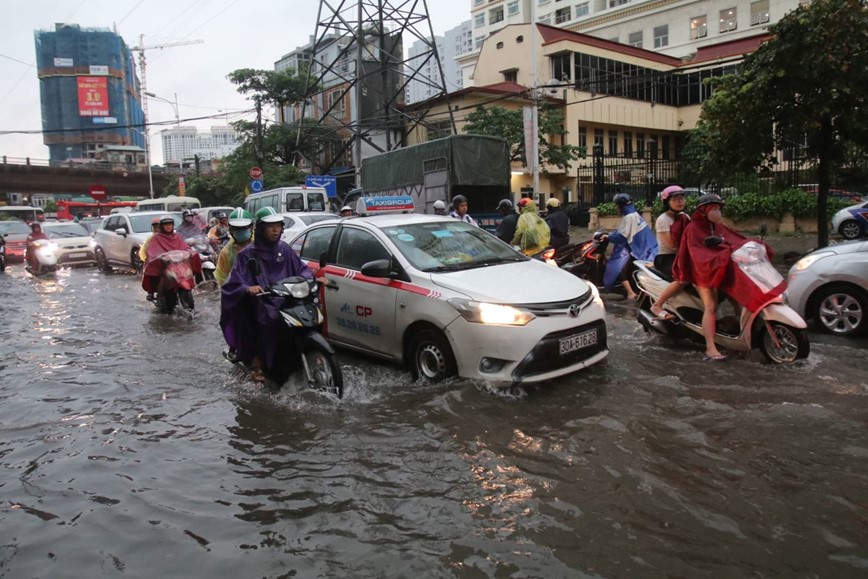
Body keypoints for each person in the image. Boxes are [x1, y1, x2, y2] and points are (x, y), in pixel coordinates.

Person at [220, 206, 314, 383]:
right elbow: (234, 281)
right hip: (262, 301)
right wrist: (248, 288)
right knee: (269, 319)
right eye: (270, 226)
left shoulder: (284, 249)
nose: (275, 230)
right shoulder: (247, 254)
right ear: (261, 228)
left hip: (286, 297)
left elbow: (301, 269)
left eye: (278, 225)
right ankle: (257, 363)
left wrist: (313, 278)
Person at [602, 193, 658, 301]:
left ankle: (631, 293)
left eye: (617, 205)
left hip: (640, 250)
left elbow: (622, 236)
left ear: (621, 206)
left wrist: (608, 236)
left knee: (619, 269)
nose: (616, 208)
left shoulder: (629, 217)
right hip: (649, 248)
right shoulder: (635, 214)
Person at [650, 186, 690, 319]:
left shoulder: (685, 217)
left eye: (681, 198)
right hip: (667, 257)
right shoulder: (663, 219)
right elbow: (671, 245)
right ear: (667, 202)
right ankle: (657, 305)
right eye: (675, 199)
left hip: (684, 254)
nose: (679, 202)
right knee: (683, 278)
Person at [142, 215, 193, 300]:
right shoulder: (156, 238)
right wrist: (157, 257)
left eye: (170, 224)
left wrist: (189, 252)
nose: (168, 226)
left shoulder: (177, 237)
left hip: (178, 265)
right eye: (166, 224)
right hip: (164, 265)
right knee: (161, 278)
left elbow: (185, 247)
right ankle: (158, 297)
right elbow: (152, 251)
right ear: (161, 226)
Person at [215, 208, 254, 287]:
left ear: (251, 227)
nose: (241, 231)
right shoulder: (226, 253)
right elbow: (221, 279)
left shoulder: (261, 245)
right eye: (237, 228)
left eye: (244, 228)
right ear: (230, 230)